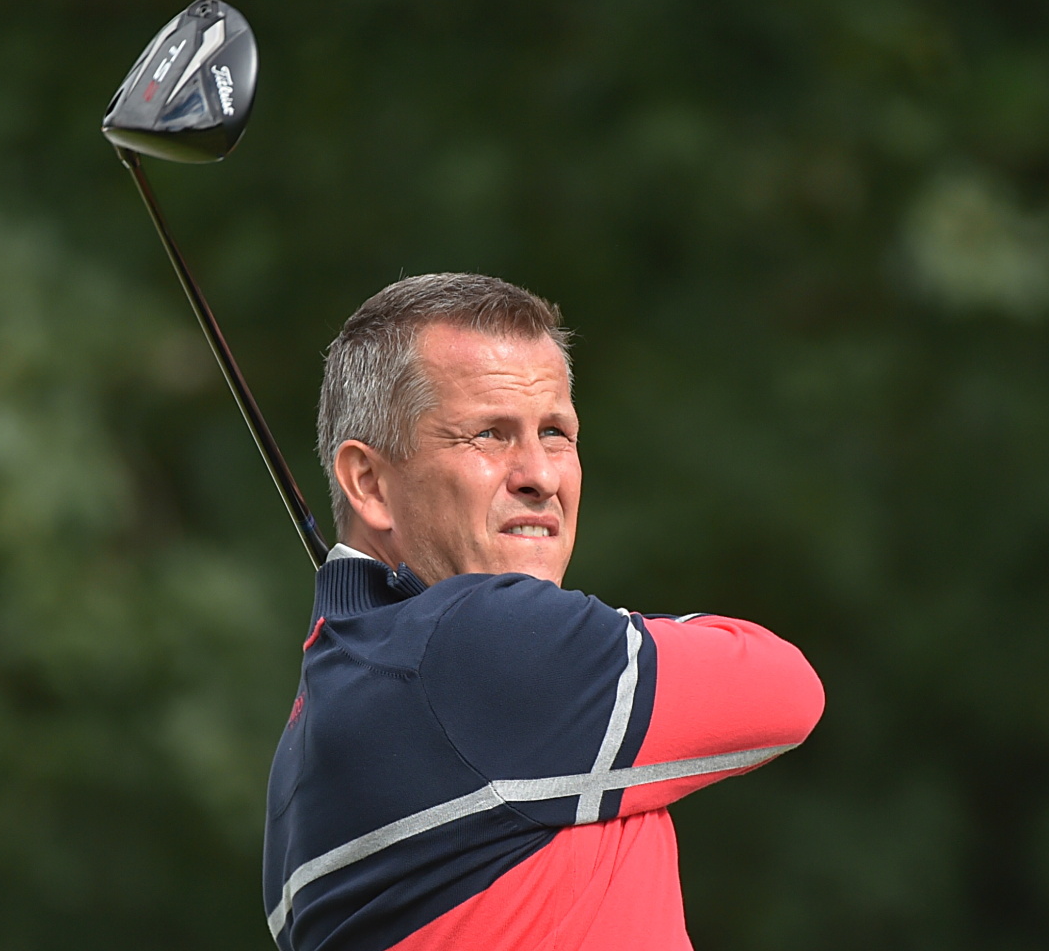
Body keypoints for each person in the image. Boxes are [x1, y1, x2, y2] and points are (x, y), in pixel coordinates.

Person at [263, 273, 824, 951]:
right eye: (489, 434)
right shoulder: (479, 641)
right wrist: (600, 637)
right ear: (370, 483)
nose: (541, 475)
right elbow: (786, 688)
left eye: (555, 432)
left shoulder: (299, 763)